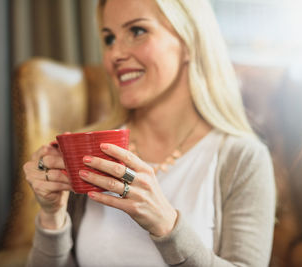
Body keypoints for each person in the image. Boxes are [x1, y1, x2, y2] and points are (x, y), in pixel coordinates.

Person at [24, 0, 276, 266]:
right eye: (109, 38)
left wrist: (167, 225)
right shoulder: (89, 151)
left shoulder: (243, 158)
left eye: (137, 31)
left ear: (189, 42)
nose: (114, 54)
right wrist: (52, 218)